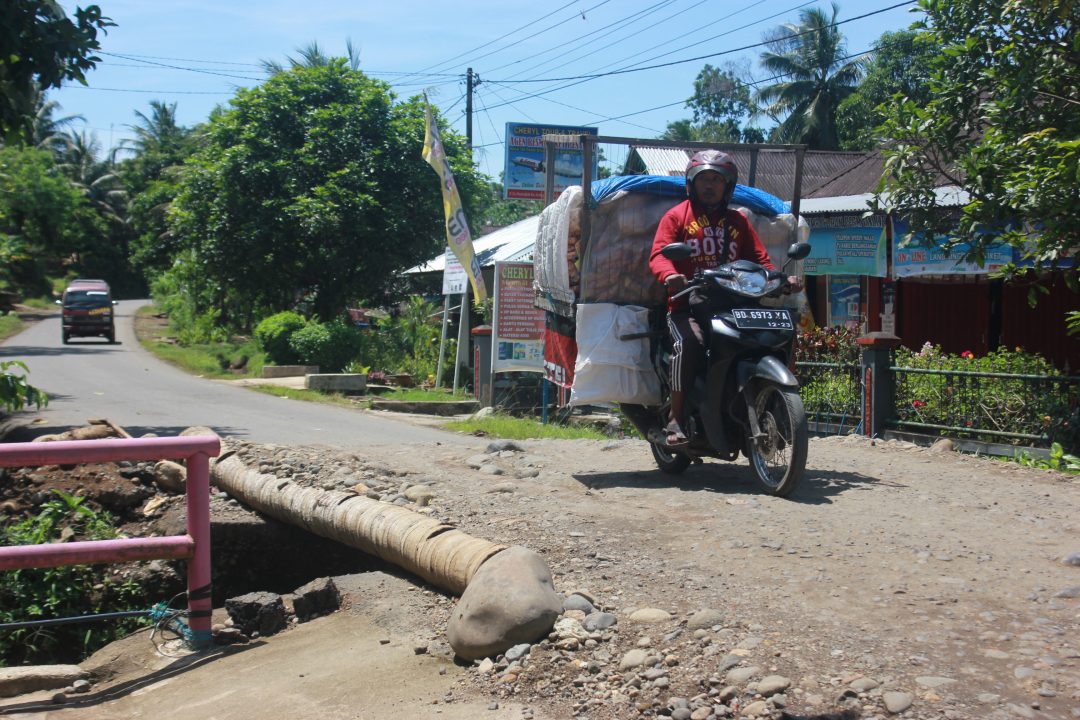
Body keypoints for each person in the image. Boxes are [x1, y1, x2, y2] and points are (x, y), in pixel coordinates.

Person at [648, 150, 799, 447]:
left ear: (727, 186)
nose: (710, 185)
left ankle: (772, 406)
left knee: (773, 338)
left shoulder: (739, 222)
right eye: (704, 179)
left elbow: (760, 261)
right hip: (686, 305)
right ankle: (675, 418)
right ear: (692, 184)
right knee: (691, 344)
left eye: (716, 180)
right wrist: (670, 275)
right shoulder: (677, 216)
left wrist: (780, 279)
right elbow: (658, 254)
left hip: (735, 305)